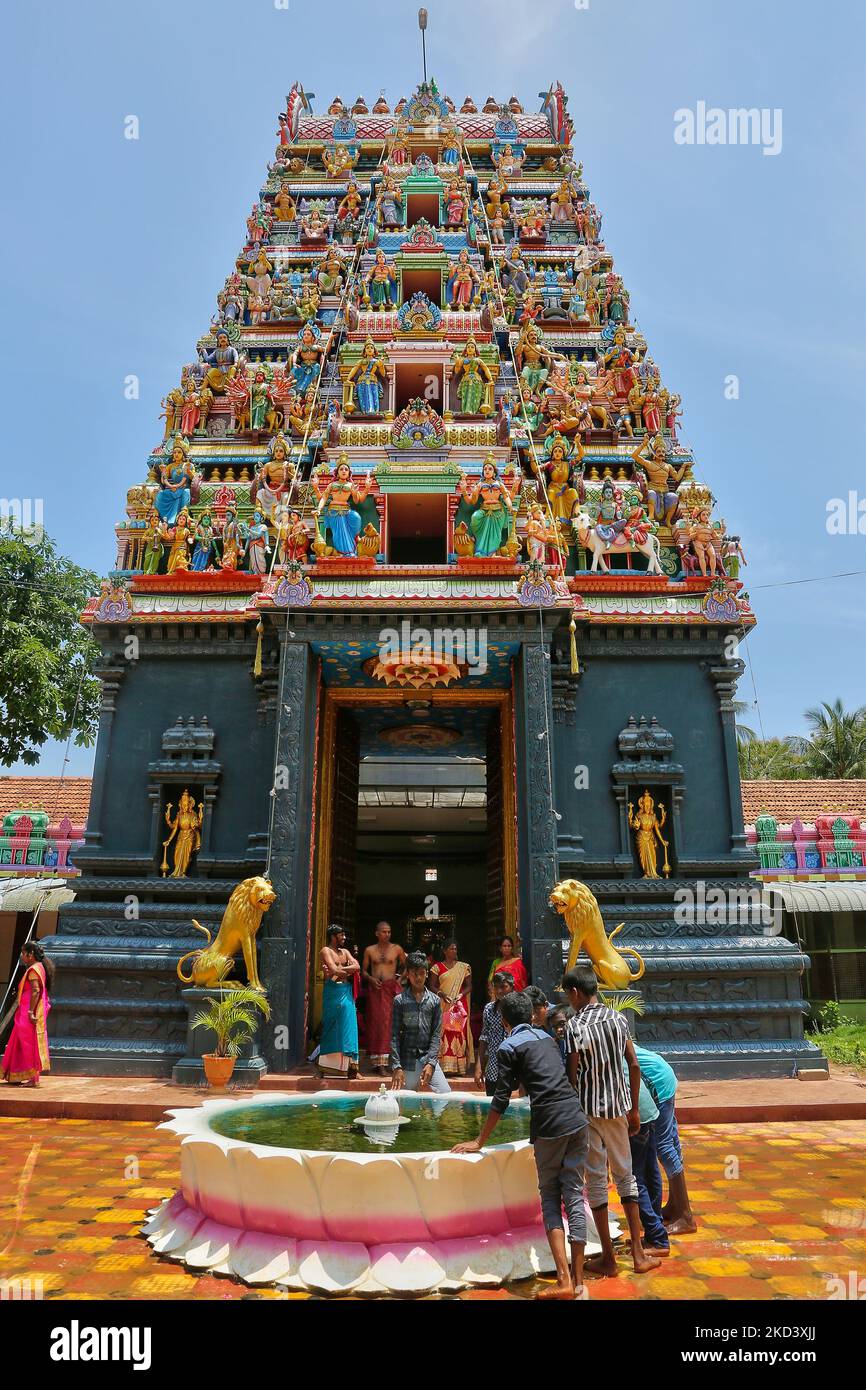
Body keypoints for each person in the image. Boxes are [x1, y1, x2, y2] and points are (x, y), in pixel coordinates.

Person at [453, 991, 590, 1301]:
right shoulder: (547, 1037)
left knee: (552, 1197)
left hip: (551, 1126)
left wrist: (479, 1141)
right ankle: (579, 1281)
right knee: (574, 1194)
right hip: (577, 1119)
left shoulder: (507, 1046)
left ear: (503, 1021)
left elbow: (501, 1098)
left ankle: (564, 1280)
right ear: (531, 1016)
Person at [563, 966, 661, 1278]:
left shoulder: (574, 1027)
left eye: (569, 995)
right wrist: (634, 1108)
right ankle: (638, 1254)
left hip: (587, 1113)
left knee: (595, 1183)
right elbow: (633, 1064)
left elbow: (572, 1077)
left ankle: (608, 1257)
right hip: (619, 1110)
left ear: (576, 993)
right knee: (626, 1177)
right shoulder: (618, 1019)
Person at [635, 1043, 697, 1234]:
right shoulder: (608, 1025)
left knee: (664, 1147)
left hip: (658, 1082)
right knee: (670, 1142)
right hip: (661, 1074)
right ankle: (674, 1205)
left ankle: (685, 1216)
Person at [625, 1055, 670, 1257]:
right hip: (647, 1108)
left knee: (634, 1177)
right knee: (650, 1170)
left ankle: (657, 1236)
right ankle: (655, 1233)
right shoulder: (616, 1035)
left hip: (635, 1113)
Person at [390, 952, 450, 1094]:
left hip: (427, 1057)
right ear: (408, 975)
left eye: (421, 973)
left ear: (427, 974)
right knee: (409, 1103)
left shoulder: (434, 1001)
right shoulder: (400, 1001)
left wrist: (431, 1063)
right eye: (414, 974)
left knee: (445, 1093)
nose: (418, 978)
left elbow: (436, 1036)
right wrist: (396, 1066)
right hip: (408, 1059)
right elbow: (394, 1036)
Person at [2, 942, 53, 1086]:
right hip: (27, 1009)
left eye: (23, 953)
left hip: (29, 1011)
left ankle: (33, 1078)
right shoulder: (39, 967)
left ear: (30, 955)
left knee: (27, 1043)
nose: (22, 956)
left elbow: (36, 991)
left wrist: (30, 1012)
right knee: (20, 1042)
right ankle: (16, 1075)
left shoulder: (33, 970)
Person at [362, 922, 406, 1077]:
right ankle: (377, 1062)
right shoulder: (369, 950)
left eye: (389, 932)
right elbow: (363, 971)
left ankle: (387, 1063)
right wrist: (371, 979)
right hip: (375, 990)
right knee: (375, 1024)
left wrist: (399, 981)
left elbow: (407, 966)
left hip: (390, 990)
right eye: (384, 932)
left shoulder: (397, 949)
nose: (387, 934)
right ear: (377, 933)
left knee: (388, 1024)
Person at [318, 925, 360, 1079]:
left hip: (346, 991)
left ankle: (352, 1068)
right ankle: (326, 1068)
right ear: (333, 936)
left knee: (350, 1027)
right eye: (341, 935)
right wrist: (346, 970)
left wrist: (341, 969)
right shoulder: (325, 951)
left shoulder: (346, 952)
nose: (344, 938)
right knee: (332, 1026)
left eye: (344, 935)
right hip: (332, 993)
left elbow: (357, 966)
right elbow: (334, 970)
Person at [429, 940, 474, 1077]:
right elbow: (431, 986)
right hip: (443, 1004)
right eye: (451, 949)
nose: (454, 951)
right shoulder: (436, 967)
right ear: (444, 951)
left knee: (458, 1033)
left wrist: (460, 994)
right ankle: (443, 1066)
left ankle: (459, 1067)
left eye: (455, 949)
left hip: (458, 1005)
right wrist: (442, 995)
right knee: (443, 1033)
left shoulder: (464, 967)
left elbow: (469, 986)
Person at [475, 970, 514, 1096]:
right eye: (496, 987)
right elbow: (484, 1037)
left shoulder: (518, 1009)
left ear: (512, 987)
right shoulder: (489, 1009)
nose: (499, 991)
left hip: (513, 1069)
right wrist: (479, 1066)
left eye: (503, 987)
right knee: (492, 1107)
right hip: (493, 1069)